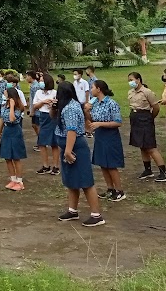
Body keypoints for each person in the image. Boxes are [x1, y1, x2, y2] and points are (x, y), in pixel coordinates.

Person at [54, 81, 105, 227]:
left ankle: (96, 215)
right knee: (71, 181)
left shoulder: (70, 108)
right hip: (69, 147)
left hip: (75, 147)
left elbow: (71, 130)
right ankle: (72, 210)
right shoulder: (68, 105)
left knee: (85, 181)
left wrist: (68, 151)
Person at [127, 72, 166, 182]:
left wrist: (150, 118)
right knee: (141, 145)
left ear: (138, 80)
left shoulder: (147, 92)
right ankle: (148, 170)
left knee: (150, 146)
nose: (130, 82)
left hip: (145, 118)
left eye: (132, 80)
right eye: (129, 80)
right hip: (135, 118)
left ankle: (163, 172)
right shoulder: (131, 92)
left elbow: (155, 108)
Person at [88, 80, 125, 202]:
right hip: (100, 136)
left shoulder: (111, 103)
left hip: (110, 136)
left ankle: (119, 190)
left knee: (111, 164)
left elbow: (118, 122)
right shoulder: (95, 103)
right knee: (103, 163)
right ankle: (110, 189)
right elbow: (92, 119)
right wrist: (86, 111)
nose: (91, 89)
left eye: (92, 87)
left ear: (99, 89)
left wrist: (100, 124)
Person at [0, 85, 26, 190]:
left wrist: (12, 106)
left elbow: (12, 119)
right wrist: (0, 131)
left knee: (16, 157)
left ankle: (19, 181)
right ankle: (13, 179)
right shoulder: (4, 105)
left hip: (15, 131)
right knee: (7, 156)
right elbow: (2, 118)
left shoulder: (18, 107)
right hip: (7, 131)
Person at [34, 73, 60, 176]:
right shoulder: (38, 93)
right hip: (43, 117)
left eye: (42, 80)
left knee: (54, 143)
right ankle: (45, 166)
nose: (40, 82)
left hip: (53, 117)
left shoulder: (55, 92)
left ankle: (56, 166)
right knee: (42, 142)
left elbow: (59, 104)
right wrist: (43, 102)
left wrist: (53, 104)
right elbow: (35, 105)